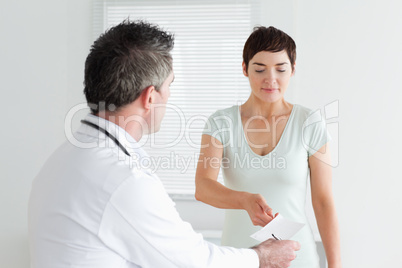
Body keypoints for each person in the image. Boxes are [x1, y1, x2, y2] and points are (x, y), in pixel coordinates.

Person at [28, 20, 300, 268]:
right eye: (169, 85)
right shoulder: (123, 181)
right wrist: (262, 257)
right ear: (150, 97)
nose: (169, 96)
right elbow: (193, 262)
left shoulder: (63, 159)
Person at [195, 26, 341, 268]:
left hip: (296, 257)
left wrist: (336, 266)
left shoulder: (310, 123)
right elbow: (203, 187)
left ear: (293, 70)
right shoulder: (221, 123)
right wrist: (243, 199)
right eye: (259, 69)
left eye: (281, 69)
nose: (270, 79)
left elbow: (323, 201)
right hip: (238, 257)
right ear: (244, 69)